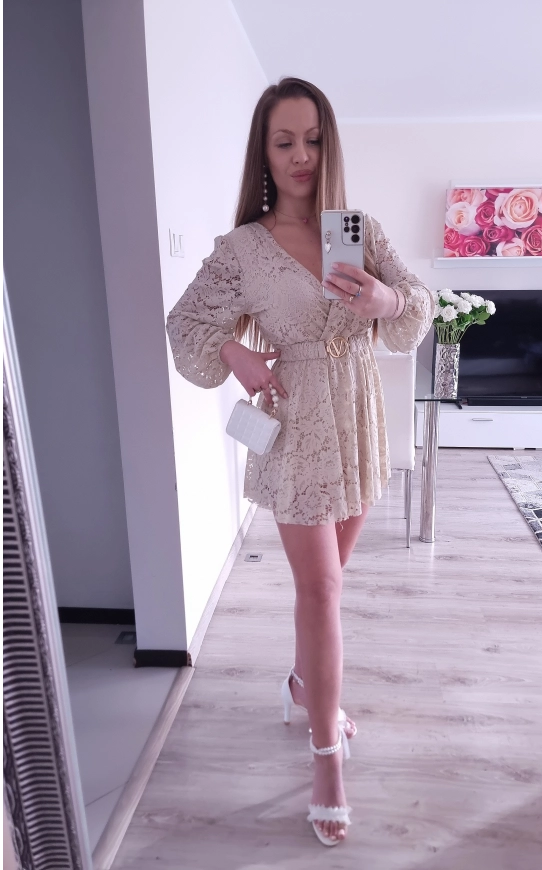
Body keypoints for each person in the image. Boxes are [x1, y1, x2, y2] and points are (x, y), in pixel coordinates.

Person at [166, 77, 434, 847]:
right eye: (284, 141)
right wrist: (238, 356)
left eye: (313, 139)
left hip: (358, 420)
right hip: (297, 429)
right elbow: (185, 325)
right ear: (264, 151)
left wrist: (385, 303)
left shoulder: (357, 228)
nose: (300, 156)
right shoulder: (243, 249)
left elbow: (418, 303)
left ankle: (300, 683)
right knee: (321, 588)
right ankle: (326, 762)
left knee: (329, 583)